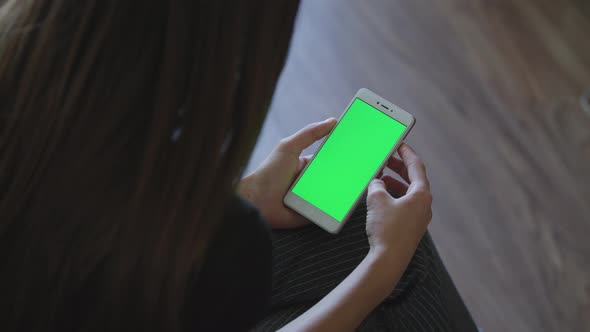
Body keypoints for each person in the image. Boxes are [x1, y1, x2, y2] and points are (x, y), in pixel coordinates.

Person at [0, 0, 477, 331]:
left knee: (352, 227)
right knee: (395, 261)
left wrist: (245, 194)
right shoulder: (229, 253)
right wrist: (382, 268)